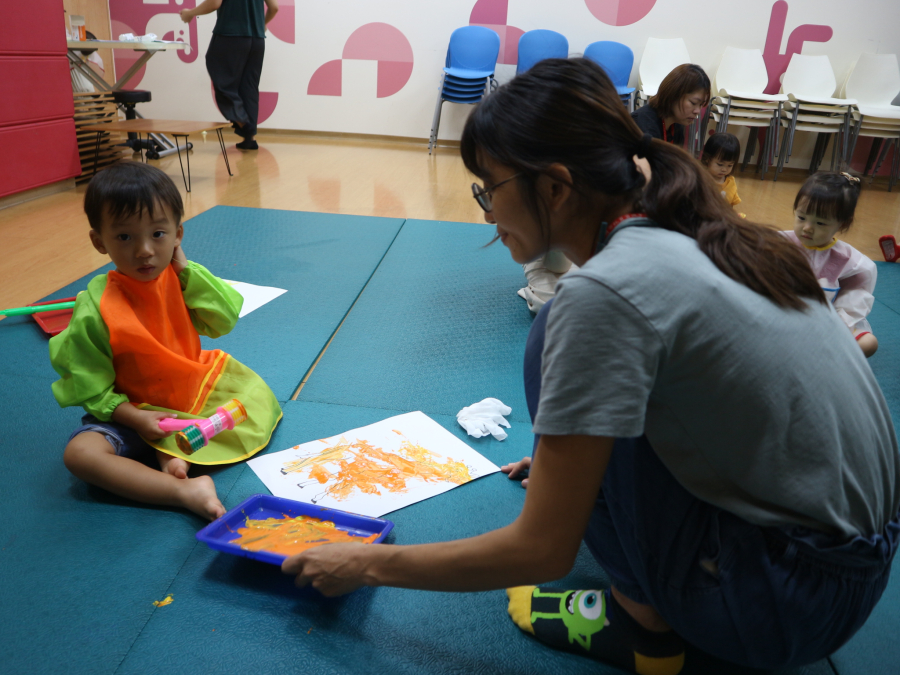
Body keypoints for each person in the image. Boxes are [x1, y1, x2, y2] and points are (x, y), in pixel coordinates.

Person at [280, 59, 899, 674]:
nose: (486, 211)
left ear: (553, 186)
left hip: (776, 606)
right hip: (848, 572)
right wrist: (573, 465)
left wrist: (363, 564)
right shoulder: (691, 230)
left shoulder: (602, 293)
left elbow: (542, 551)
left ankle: (643, 627)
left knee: (549, 334)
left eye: (488, 187)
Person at [51, 162, 282, 520]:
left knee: (242, 406)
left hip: (192, 399)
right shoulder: (96, 307)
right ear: (100, 242)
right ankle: (182, 489)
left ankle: (170, 457)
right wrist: (135, 418)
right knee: (79, 455)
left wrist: (187, 271)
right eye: (125, 237)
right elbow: (89, 384)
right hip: (127, 412)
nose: (144, 250)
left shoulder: (180, 278)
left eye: (158, 234)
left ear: (178, 234)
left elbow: (222, 318)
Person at [785, 172, 878, 357]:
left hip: (827, 320)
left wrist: (837, 323)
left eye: (820, 223)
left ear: (841, 224)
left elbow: (856, 297)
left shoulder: (850, 261)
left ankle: (827, 352)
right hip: (784, 312)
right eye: (801, 217)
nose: (807, 228)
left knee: (869, 343)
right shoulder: (779, 242)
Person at [180, 0, 279, 150]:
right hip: (257, 39)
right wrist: (262, 24)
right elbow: (274, 8)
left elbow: (214, 3)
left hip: (230, 35)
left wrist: (190, 13)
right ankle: (249, 138)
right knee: (249, 87)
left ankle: (244, 123)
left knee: (222, 79)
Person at [631, 64, 709, 147]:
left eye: (701, 105)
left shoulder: (677, 124)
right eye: (693, 103)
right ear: (674, 95)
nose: (697, 111)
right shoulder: (642, 125)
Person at [700, 132, 741, 208]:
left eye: (730, 165)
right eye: (720, 164)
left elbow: (730, 205)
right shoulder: (701, 179)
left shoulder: (730, 182)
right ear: (707, 159)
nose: (724, 169)